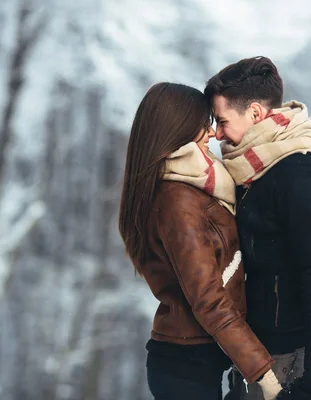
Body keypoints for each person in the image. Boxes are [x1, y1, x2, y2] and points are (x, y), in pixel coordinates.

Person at [118, 82, 283, 400]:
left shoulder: (184, 189)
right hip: (186, 368)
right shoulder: (178, 200)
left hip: (192, 360)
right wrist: (262, 370)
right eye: (203, 123)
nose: (212, 133)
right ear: (179, 126)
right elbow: (207, 297)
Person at [204, 57, 311, 400]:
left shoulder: (302, 174)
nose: (217, 133)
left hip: (298, 360)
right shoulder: (254, 172)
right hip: (262, 354)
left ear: (255, 113)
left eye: (222, 121)